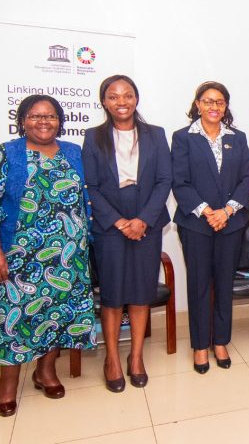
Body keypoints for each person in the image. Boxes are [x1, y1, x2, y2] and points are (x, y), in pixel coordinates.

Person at [0, 95, 95, 416]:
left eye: (50, 116)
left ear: (60, 121)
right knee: (15, 320)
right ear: (22, 119)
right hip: (20, 255)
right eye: (35, 116)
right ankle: (7, 384)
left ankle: (45, 372)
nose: (43, 121)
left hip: (69, 257)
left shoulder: (73, 152)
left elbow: (89, 196)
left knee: (56, 315)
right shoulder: (6, 154)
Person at [82, 75, 171, 392]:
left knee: (141, 292)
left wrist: (143, 220)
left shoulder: (155, 135)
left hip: (147, 221)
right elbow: (91, 186)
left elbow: (164, 180)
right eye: (114, 96)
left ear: (136, 98)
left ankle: (135, 358)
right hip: (110, 226)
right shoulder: (93, 137)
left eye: (128, 95)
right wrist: (120, 222)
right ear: (104, 102)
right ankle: (113, 361)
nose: (122, 101)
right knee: (113, 296)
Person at [171, 81, 249, 373]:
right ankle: (200, 346)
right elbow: (179, 181)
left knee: (223, 285)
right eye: (208, 101)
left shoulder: (238, 138)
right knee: (199, 286)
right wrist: (208, 212)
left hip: (230, 224)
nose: (214, 107)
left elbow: (246, 179)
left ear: (226, 106)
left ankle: (220, 341)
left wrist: (228, 211)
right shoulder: (182, 138)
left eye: (219, 102)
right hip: (196, 225)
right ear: (197, 104)